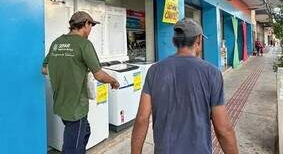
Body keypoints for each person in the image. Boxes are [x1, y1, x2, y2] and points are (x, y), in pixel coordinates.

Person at [131, 18, 238, 154]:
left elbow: (142, 118)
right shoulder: (212, 73)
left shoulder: (154, 70)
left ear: (174, 41)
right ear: (198, 40)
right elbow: (223, 129)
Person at [42, 11, 120, 154]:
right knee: (72, 148)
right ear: (85, 24)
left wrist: (66, 70)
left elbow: (44, 68)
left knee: (85, 132)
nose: (91, 29)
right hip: (76, 106)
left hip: (61, 103)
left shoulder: (57, 42)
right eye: (91, 25)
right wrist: (113, 81)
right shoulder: (84, 44)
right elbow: (99, 75)